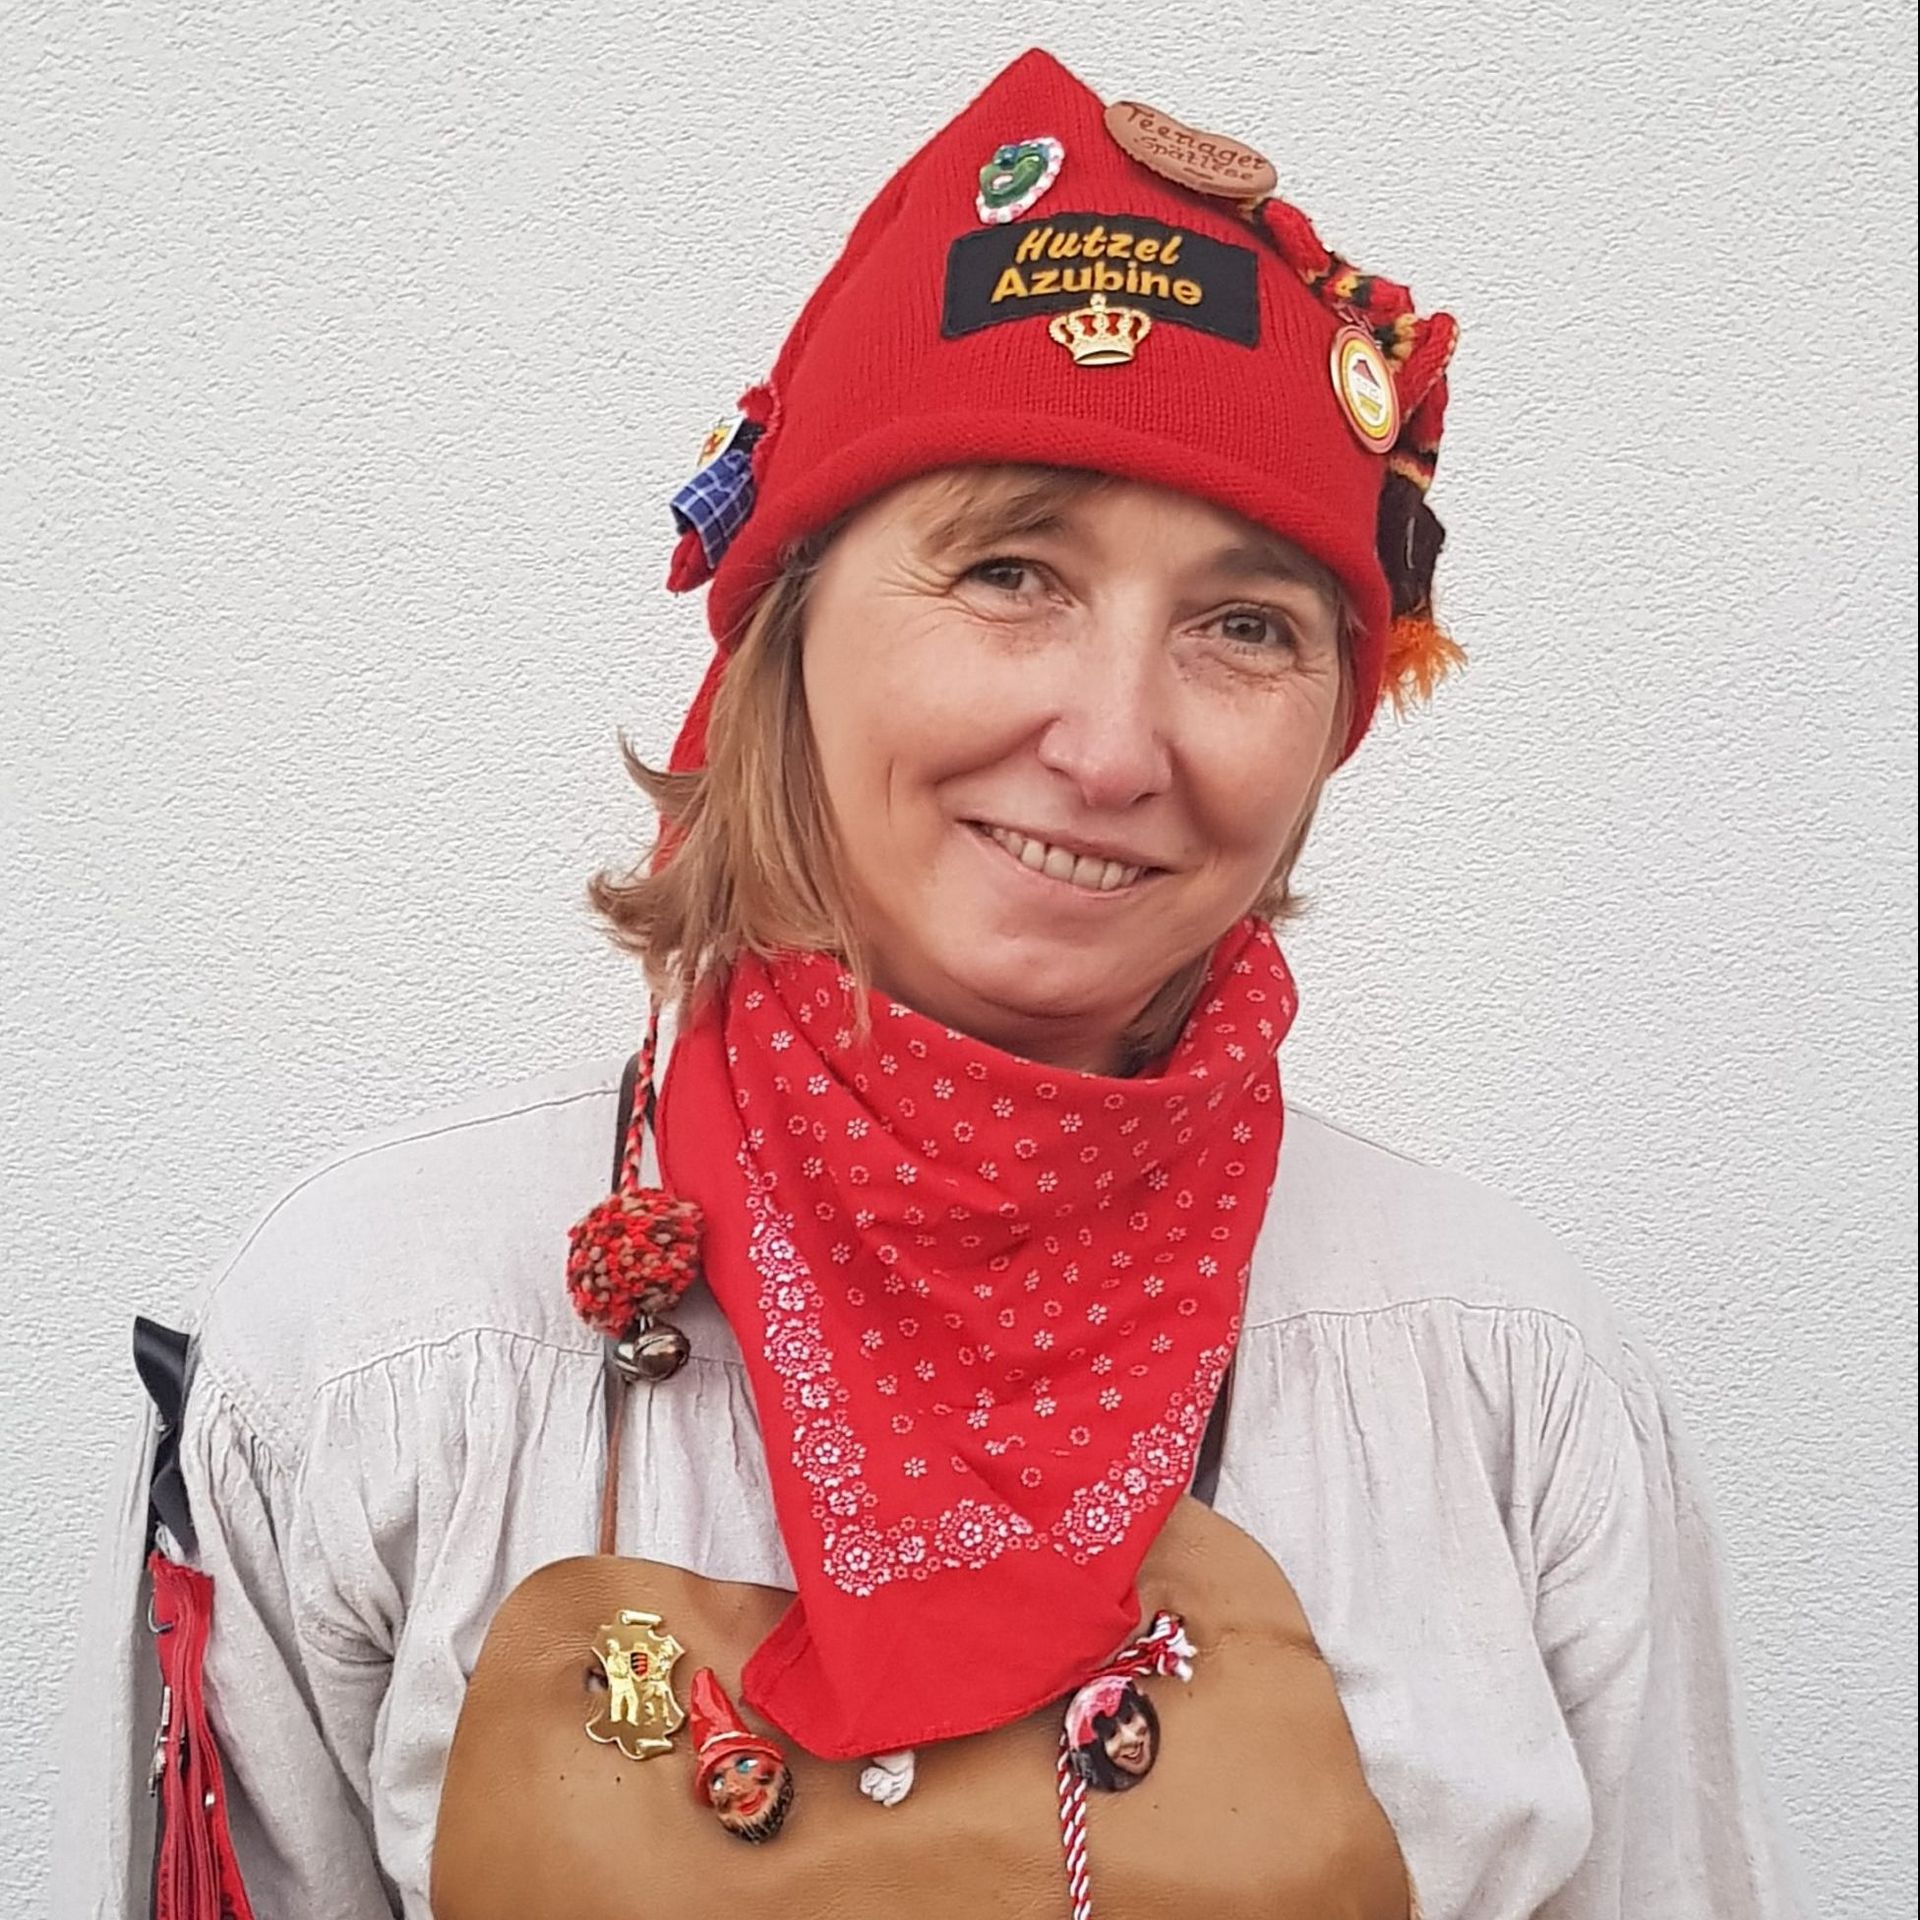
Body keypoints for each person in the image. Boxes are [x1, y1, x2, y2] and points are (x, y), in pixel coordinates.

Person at [58, 45, 1805, 1920]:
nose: (1114, 747)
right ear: (782, 628)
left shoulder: (1500, 1381)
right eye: (1011, 574)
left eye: (1244, 625)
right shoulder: (375, 1356)